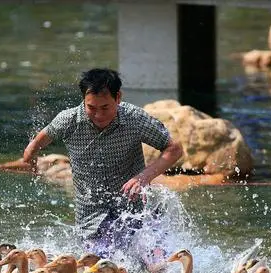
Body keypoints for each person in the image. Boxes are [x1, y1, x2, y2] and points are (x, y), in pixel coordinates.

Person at [22, 68, 183, 257]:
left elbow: (174, 149)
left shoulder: (134, 119)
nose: (98, 115)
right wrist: (31, 163)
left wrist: (143, 177)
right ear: (83, 100)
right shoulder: (68, 120)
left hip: (133, 210)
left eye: (105, 107)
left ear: (118, 97)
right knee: (99, 267)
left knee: (156, 263)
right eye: (92, 108)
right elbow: (32, 148)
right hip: (92, 217)